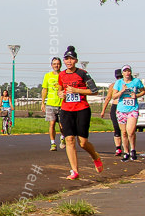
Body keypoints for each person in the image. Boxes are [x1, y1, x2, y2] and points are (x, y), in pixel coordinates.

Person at [56, 46, 103, 180]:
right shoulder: (62, 75)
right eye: (66, 59)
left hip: (81, 109)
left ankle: (95, 156)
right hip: (66, 110)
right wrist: (61, 94)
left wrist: (77, 91)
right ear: (64, 61)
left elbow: (94, 90)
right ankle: (74, 171)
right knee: (69, 139)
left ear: (76, 60)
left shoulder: (83, 73)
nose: (69, 61)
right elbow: (60, 89)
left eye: (71, 59)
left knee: (82, 142)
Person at [101, 65, 144, 162]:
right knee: (123, 132)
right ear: (122, 73)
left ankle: (133, 149)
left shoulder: (136, 81)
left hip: (133, 109)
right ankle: (126, 152)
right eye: (125, 71)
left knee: (131, 131)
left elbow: (143, 91)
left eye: (128, 71)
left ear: (131, 72)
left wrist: (136, 95)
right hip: (121, 110)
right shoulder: (119, 83)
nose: (127, 73)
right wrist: (122, 91)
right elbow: (114, 96)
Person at [40, 57, 63, 151]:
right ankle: (53, 143)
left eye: (57, 64)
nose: (56, 65)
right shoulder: (47, 76)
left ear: (60, 65)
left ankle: (63, 137)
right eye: (54, 64)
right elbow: (44, 89)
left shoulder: (64, 75)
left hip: (62, 104)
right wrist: (43, 102)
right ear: (51, 65)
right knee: (52, 123)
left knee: (62, 125)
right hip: (50, 103)